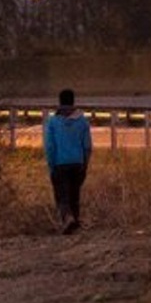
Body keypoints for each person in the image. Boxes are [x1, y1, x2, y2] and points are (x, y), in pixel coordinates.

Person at [43, 88, 92, 235]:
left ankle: (68, 219)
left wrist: (51, 165)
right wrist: (85, 164)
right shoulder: (82, 122)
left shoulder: (53, 122)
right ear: (73, 101)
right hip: (77, 163)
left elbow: (50, 146)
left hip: (60, 163)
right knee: (74, 195)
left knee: (62, 196)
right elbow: (87, 146)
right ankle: (75, 224)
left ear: (60, 102)